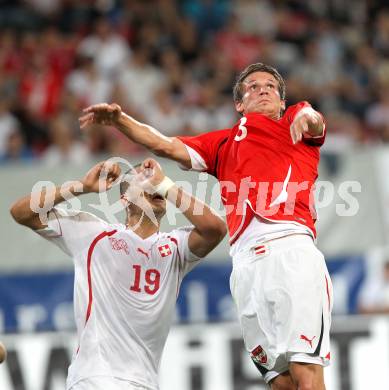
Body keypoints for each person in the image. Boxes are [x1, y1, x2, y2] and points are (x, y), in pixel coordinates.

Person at [79, 62, 333, 390]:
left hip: (290, 249)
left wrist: (305, 117)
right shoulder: (222, 144)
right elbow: (165, 145)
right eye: (253, 86)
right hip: (245, 265)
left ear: (283, 101)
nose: (264, 89)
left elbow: (314, 120)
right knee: (280, 383)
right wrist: (120, 121)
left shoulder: (295, 122)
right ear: (239, 104)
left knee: (306, 374)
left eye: (271, 86)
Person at [10, 158, 226, 390]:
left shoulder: (175, 249)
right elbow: (21, 213)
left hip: (144, 384)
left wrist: (166, 184)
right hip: (94, 379)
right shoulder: (92, 233)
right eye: (143, 179)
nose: (152, 183)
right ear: (125, 199)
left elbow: (215, 229)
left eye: (157, 181)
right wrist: (81, 186)